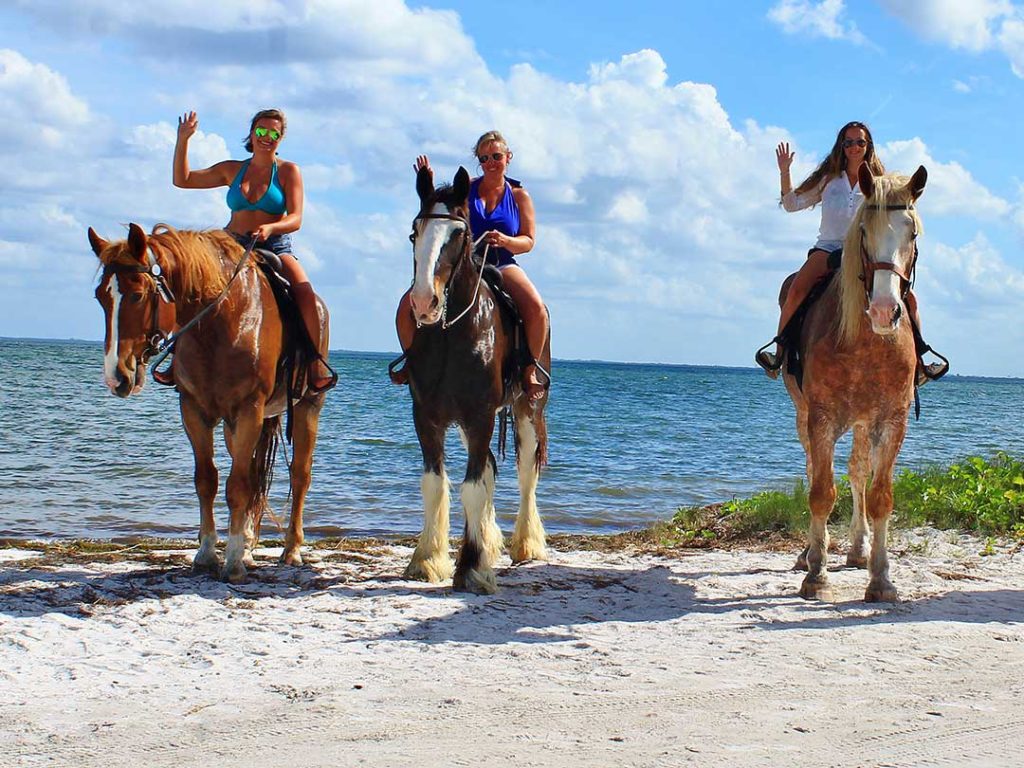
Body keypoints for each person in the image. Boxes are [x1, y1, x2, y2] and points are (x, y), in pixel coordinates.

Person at [755, 120, 947, 384]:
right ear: (841, 146)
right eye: (849, 142)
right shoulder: (828, 180)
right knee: (797, 288)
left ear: (868, 146)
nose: (854, 147)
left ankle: (920, 362)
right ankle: (777, 352)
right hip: (828, 248)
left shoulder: (880, 183)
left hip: (865, 250)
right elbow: (790, 204)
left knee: (909, 299)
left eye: (860, 142)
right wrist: (785, 172)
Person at [158, 108, 335, 394]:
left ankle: (314, 366)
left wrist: (271, 228)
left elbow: (296, 218)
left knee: (305, 292)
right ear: (251, 134)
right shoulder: (232, 169)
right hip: (230, 244)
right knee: (191, 286)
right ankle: (176, 357)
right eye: (262, 131)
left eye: (274, 133)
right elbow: (183, 179)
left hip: (273, 245)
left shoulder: (289, 171)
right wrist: (184, 140)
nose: (267, 137)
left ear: (281, 138)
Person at [391, 130, 550, 401]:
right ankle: (412, 359)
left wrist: (506, 240)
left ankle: (529, 369)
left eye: (496, 156)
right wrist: (426, 185)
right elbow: (441, 214)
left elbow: (529, 240)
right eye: (484, 157)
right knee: (406, 306)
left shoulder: (520, 196)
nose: (491, 162)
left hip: (502, 262)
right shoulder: (466, 190)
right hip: (466, 263)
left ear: (507, 158)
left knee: (536, 308)